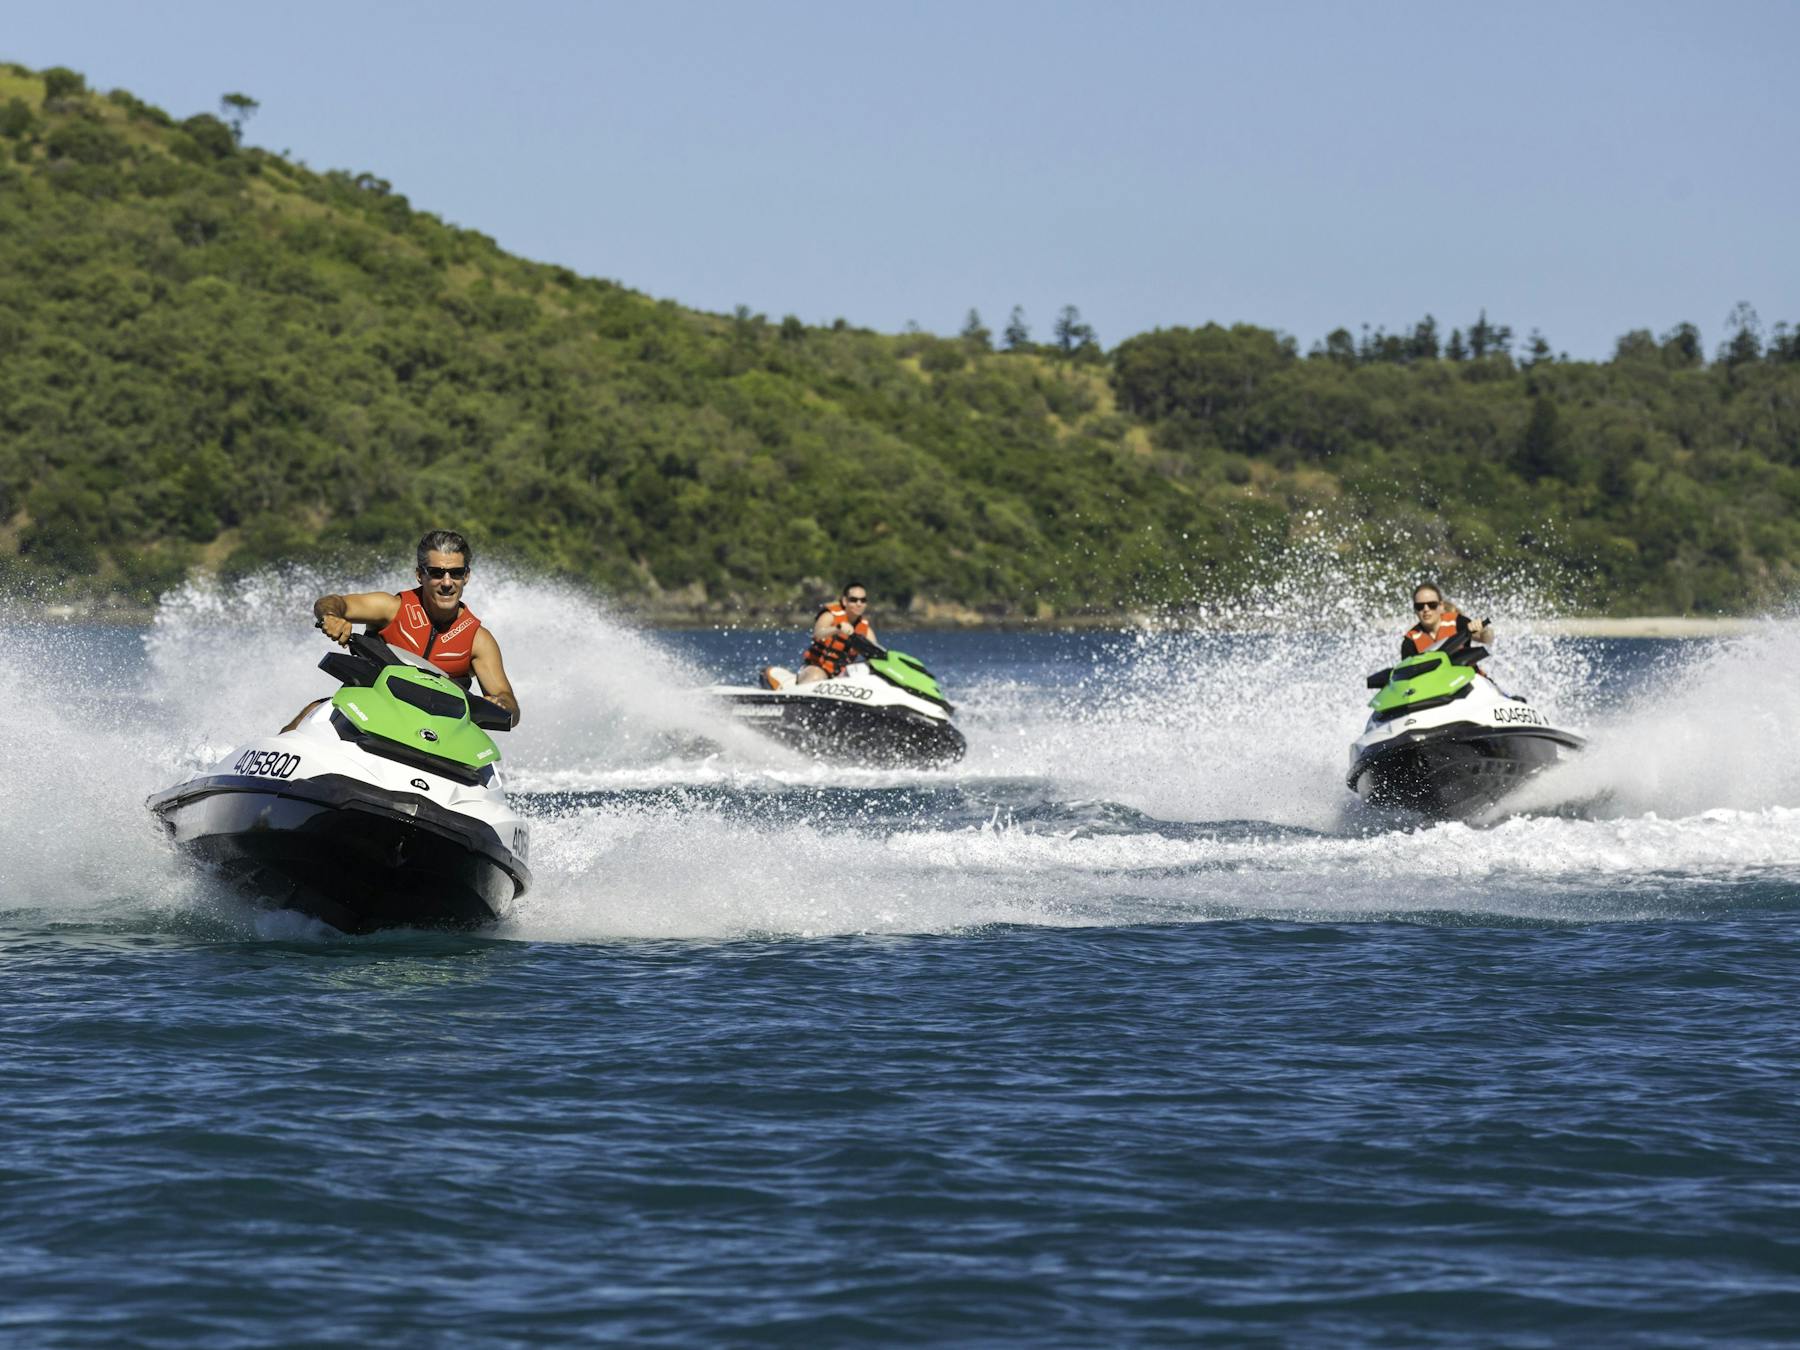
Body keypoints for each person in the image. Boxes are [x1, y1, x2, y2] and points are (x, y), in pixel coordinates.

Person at [283, 529, 520, 731]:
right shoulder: (390, 609)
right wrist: (331, 616)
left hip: (432, 735)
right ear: (420, 575)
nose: (447, 583)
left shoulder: (478, 640)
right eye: (436, 573)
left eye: (456, 573)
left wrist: (502, 705)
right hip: (364, 715)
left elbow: (510, 706)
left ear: (466, 576)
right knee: (317, 710)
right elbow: (333, 602)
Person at [794, 583, 879, 686]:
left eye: (863, 600)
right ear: (844, 601)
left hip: (841, 676)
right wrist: (837, 629)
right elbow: (818, 634)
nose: (859, 603)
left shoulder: (867, 631)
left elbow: (876, 655)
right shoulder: (830, 616)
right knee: (816, 676)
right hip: (816, 668)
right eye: (853, 600)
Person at [1401, 583, 1494, 657]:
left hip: (1466, 676)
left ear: (1441, 605)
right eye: (1420, 606)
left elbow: (1486, 639)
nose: (1426, 609)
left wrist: (1484, 630)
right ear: (1415, 609)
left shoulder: (1457, 621)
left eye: (1432, 605)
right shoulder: (1410, 640)